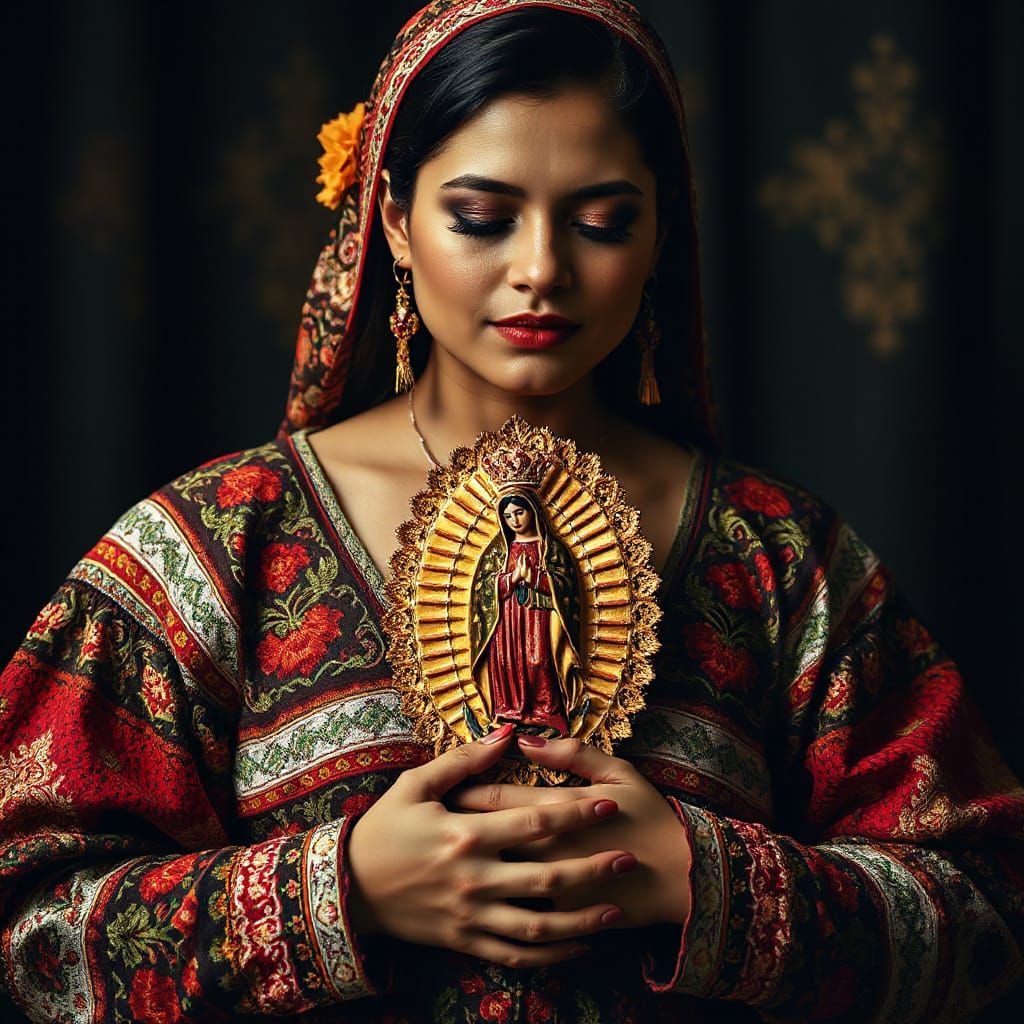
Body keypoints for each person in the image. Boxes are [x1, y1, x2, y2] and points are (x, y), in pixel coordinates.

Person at [1, 1, 1021, 1021]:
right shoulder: (222, 542)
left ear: (661, 227)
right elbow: (29, 930)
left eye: (601, 220)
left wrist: (704, 884)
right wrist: (340, 889)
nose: (541, 268)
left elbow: (991, 921)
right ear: (392, 219)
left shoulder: (778, 557)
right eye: (482, 217)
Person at [470, 491, 584, 738]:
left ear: (533, 511)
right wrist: (513, 578)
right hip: (506, 621)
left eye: (519, 512)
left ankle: (546, 714)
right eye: (508, 515)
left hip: (538, 617)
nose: (514, 520)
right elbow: (483, 589)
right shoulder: (499, 550)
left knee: (539, 661)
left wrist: (537, 579)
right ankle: (508, 714)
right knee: (506, 662)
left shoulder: (550, 548)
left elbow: (566, 586)